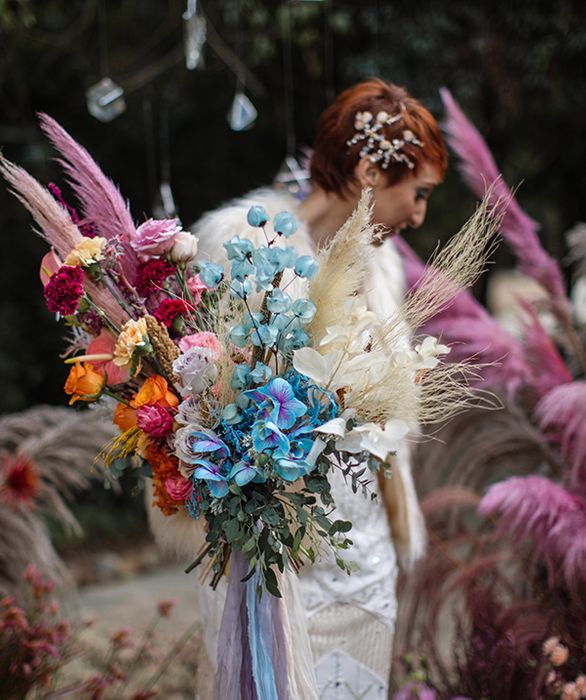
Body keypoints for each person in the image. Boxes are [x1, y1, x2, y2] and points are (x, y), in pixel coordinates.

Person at [180, 78, 448, 699]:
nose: (419, 216)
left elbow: (386, 429)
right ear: (368, 170)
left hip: (366, 555)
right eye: (419, 193)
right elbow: (208, 409)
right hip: (277, 568)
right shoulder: (248, 251)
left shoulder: (381, 268)